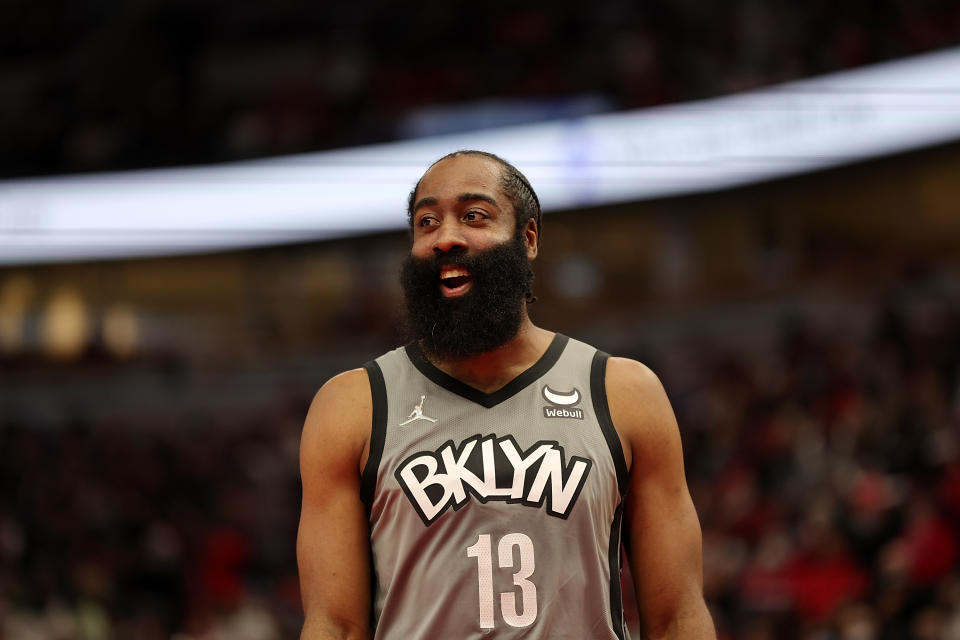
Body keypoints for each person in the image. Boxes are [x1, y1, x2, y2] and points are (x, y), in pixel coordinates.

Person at [297, 150, 716, 639]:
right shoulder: (353, 404)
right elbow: (335, 626)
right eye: (426, 222)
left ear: (528, 238)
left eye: (474, 216)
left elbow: (677, 617)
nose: (445, 237)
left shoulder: (623, 391)